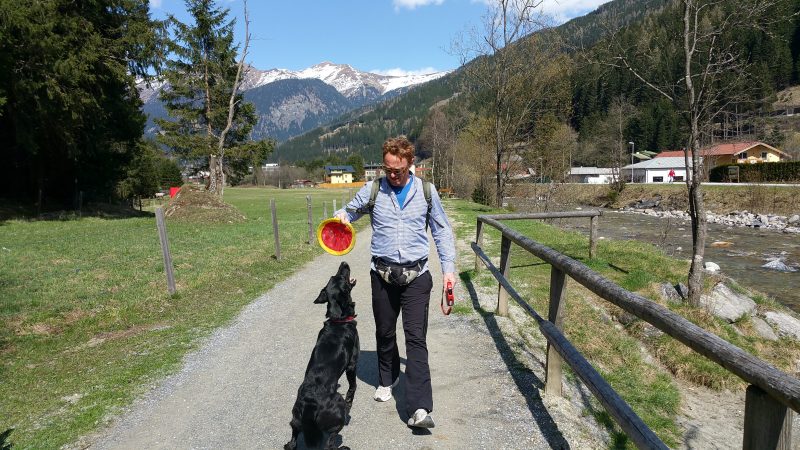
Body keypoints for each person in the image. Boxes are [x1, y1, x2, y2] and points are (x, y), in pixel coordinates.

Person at [334, 136, 456, 429]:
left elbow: (441, 230)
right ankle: (387, 379)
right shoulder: (375, 189)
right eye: (388, 170)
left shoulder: (426, 191)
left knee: (416, 339)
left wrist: (449, 273)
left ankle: (419, 408)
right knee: (385, 333)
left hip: (417, 277)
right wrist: (342, 217)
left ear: (410, 164)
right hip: (383, 276)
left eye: (398, 170)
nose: (392, 175)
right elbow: (350, 212)